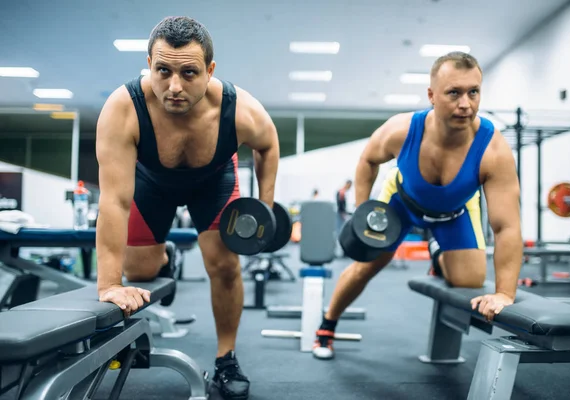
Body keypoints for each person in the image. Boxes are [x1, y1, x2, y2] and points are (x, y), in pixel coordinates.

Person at [95, 16, 279, 399]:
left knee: (224, 265)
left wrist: (265, 205)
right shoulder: (123, 108)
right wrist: (110, 284)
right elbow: (114, 200)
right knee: (140, 271)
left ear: (210, 71)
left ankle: (226, 359)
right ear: (149, 64)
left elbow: (268, 145)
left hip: (213, 182)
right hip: (150, 184)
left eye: (189, 73)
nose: (174, 87)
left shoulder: (240, 109)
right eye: (163, 70)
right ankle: (165, 259)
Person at [313, 51, 522, 360]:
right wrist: (365, 211)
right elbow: (368, 160)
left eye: (473, 92)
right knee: (366, 267)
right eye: (454, 93)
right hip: (402, 204)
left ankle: (437, 253)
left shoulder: (493, 149)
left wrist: (504, 292)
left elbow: (507, 227)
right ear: (432, 96)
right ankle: (327, 324)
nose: (466, 103)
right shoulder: (401, 130)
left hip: (456, 211)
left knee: (469, 281)